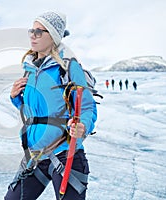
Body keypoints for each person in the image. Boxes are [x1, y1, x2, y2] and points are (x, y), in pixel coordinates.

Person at [5, 11, 97, 200]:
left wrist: (83, 126)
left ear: (53, 36)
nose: (33, 35)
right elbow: (35, 113)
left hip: (65, 153)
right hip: (36, 155)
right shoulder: (29, 70)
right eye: (32, 30)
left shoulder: (68, 68)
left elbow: (87, 107)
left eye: (40, 31)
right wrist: (16, 98)